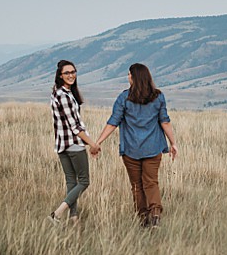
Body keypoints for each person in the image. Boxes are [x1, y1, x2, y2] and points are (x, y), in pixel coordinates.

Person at [96, 63, 178, 229]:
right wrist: (173, 143)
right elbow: (165, 121)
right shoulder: (158, 97)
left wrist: (97, 142)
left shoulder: (124, 98)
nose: (127, 77)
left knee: (136, 185)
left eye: (129, 74)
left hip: (131, 150)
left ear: (133, 77)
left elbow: (113, 122)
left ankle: (143, 220)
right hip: (153, 148)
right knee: (151, 182)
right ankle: (155, 213)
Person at [49, 60, 100, 224]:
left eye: (73, 72)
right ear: (60, 75)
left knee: (72, 182)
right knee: (84, 181)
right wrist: (92, 144)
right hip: (73, 144)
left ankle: (74, 218)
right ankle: (57, 213)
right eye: (67, 73)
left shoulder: (58, 93)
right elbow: (75, 126)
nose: (71, 75)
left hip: (62, 145)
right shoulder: (64, 96)